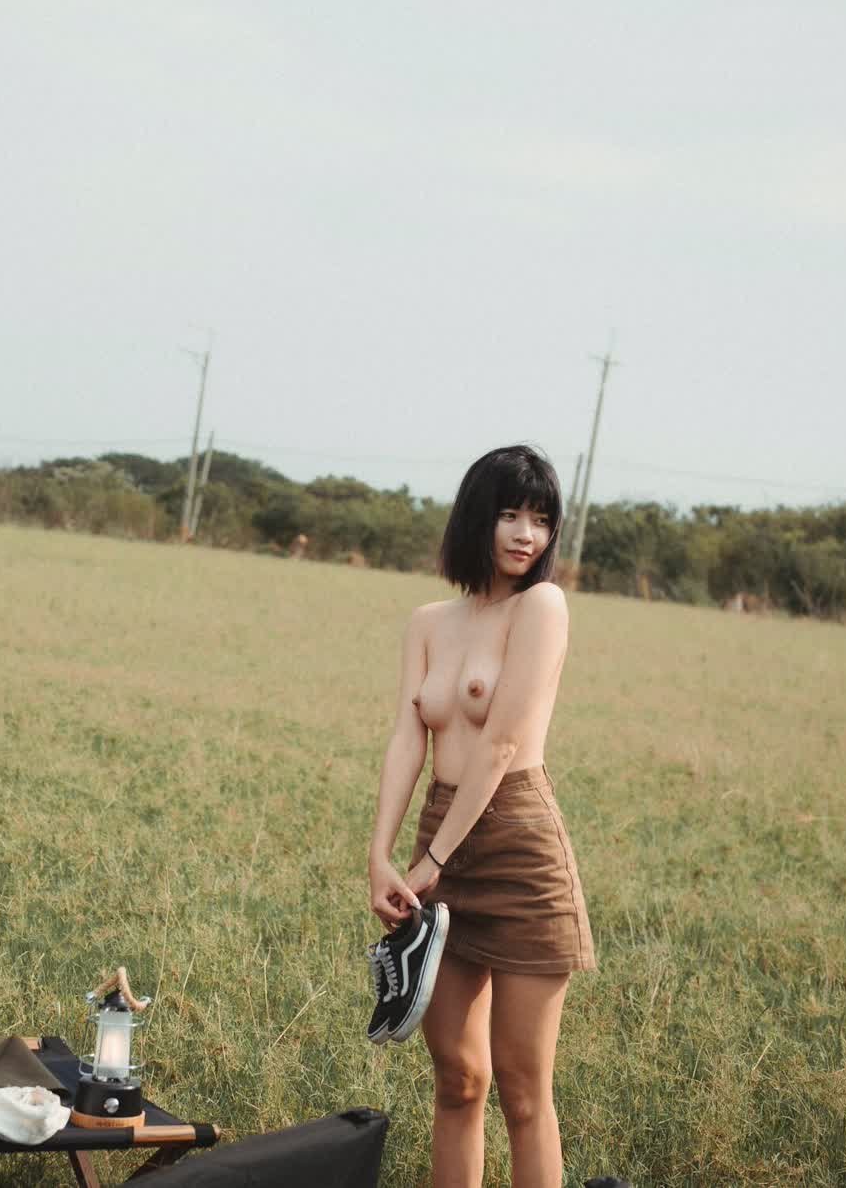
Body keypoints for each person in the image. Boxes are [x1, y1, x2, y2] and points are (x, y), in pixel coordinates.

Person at [366, 444, 597, 1188]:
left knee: (523, 1091)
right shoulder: (428, 620)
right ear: (477, 518)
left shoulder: (542, 606)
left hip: (517, 842)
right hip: (440, 832)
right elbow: (408, 737)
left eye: (541, 519)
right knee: (458, 1079)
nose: (526, 533)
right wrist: (382, 854)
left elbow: (500, 744)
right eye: (510, 514)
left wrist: (431, 861)